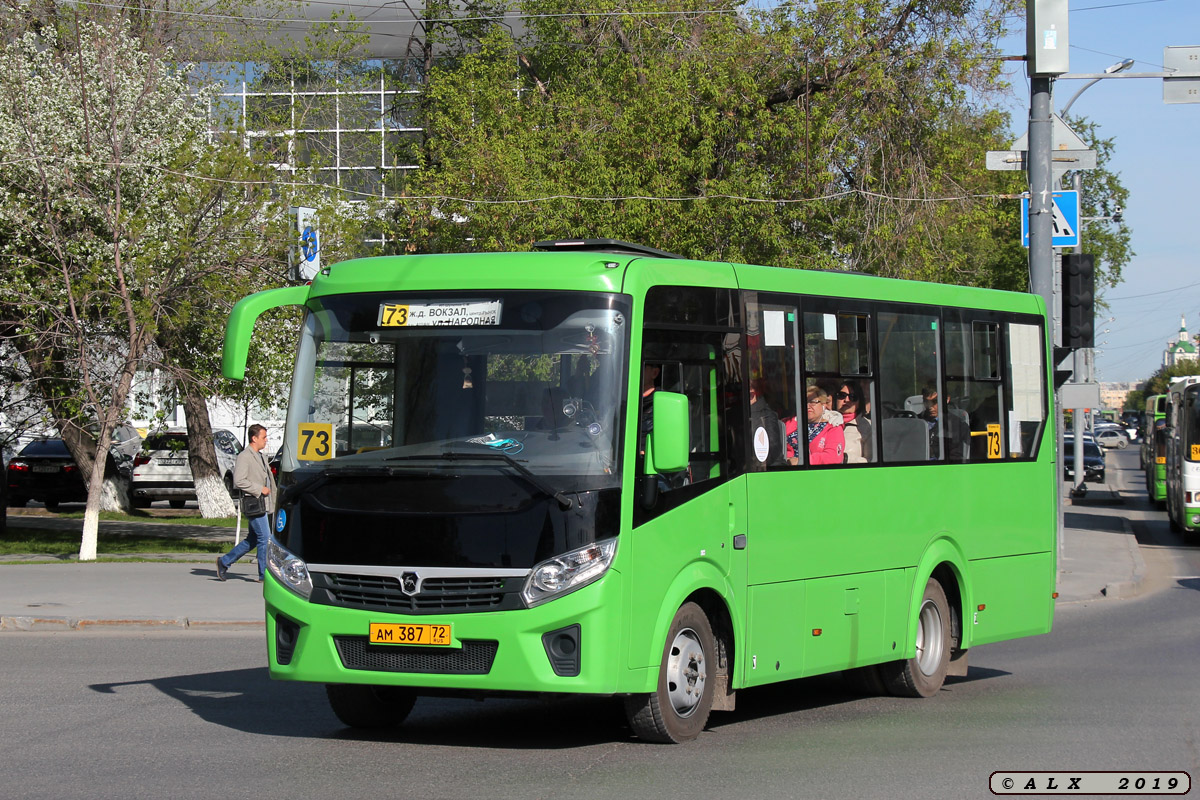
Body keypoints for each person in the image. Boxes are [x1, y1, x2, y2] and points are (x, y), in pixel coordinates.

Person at [216, 424, 276, 582]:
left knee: (253, 539)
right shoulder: (245, 456)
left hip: (264, 503)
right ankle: (264, 575)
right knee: (265, 537)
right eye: (263, 437)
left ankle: (224, 562)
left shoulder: (261, 456)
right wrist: (259, 489)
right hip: (254, 503)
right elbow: (239, 481)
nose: (266, 440)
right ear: (254, 438)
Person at [918, 387, 969, 461]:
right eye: (926, 401)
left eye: (935, 401)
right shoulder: (915, 422)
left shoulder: (958, 426)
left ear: (947, 399)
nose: (930, 406)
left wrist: (933, 452)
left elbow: (957, 458)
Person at [804, 386, 845, 464]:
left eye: (812, 402)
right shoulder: (791, 423)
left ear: (824, 405)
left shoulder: (833, 427)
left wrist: (801, 461)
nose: (807, 406)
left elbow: (833, 458)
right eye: (804, 402)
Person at [749, 378, 785, 466]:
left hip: (770, 469)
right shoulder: (740, 413)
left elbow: (771, 448)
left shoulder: (767, 416)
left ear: (753, 394)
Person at [836, 381, 874, 463]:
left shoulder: (868, 427)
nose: (846, 400)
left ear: (860, 402)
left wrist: (846, 458)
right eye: (842, 395)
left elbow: (871, 461)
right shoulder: (825, 422)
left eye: (853, 397)